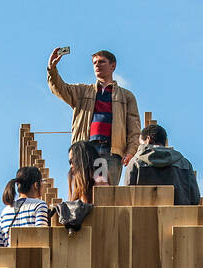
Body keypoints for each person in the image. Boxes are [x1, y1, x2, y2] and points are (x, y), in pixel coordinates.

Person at [47, 47, 140, 187]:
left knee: (106, 194)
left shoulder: (126, 96)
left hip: (111, 151)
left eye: (101, 62)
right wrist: (52, 68)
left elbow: (134, 129)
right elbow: (60, 88)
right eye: (95, 62)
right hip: (86, 150)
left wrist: (131, 151)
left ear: (113, 66)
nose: (97, 65)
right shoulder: (83, 91)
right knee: (83, 190)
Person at [124, 123, 202, 206]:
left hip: (143, 217)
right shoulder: (185, 164)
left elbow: (127, 197)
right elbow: (195, 198)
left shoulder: (135, 163)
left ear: (148, 139)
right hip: (180, 217)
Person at [0, 166, 51, 247]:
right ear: (36, 185)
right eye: (41, 181)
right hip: (32, 257)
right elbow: (42, 238)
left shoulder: (5, 211)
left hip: (9, 258)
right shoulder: (39, 205)